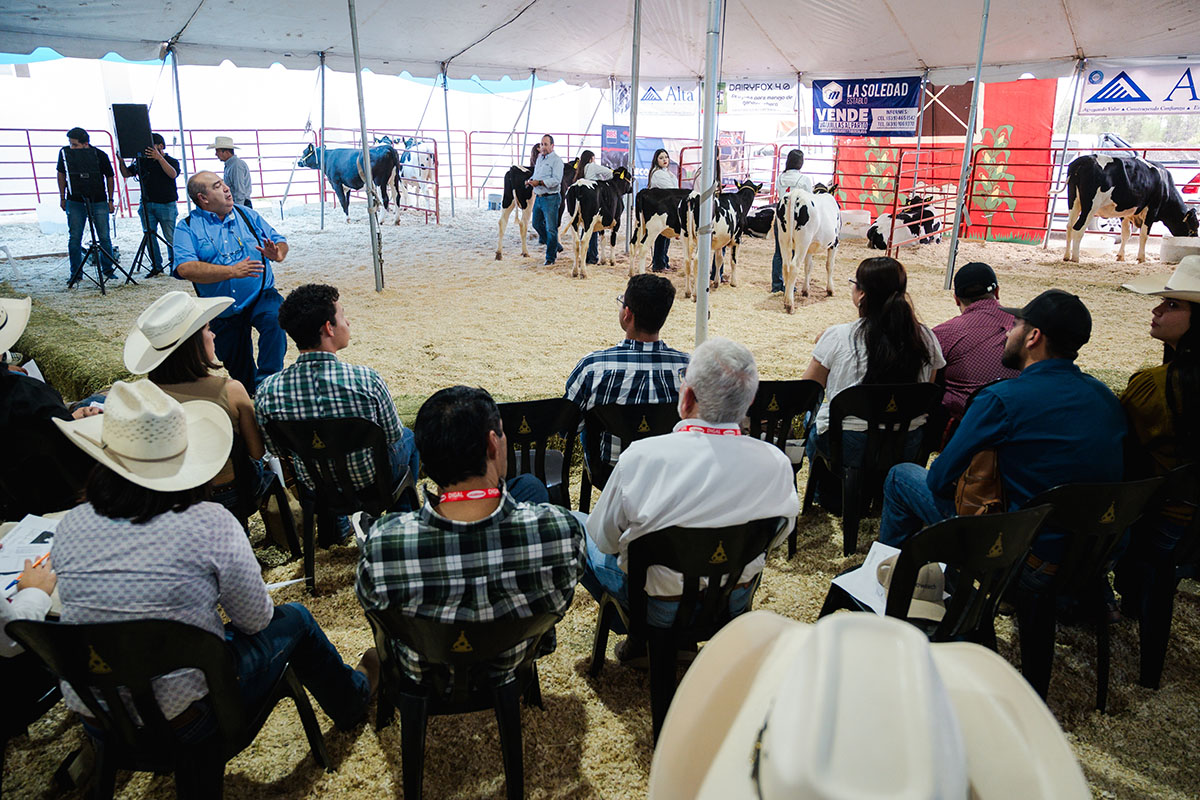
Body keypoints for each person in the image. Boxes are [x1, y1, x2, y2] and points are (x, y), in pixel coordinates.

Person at [51, 380, 376, 739]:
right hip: (192, 717)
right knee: (296, 618)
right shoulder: (209, 523)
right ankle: (352, 699)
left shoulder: (72, 524)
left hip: (99, 718)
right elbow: (255, 620)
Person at [877, 289, 1126, 590]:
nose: (1007, 332)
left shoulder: (1001, 399)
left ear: (1033, 337)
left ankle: (890, 576)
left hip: (1017, 558)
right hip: (1090, 558)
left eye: (1015, 325)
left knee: (901, 476)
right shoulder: (1105, 396)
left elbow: (938, 480)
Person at [582, 338, 800, 660]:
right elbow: (778, 534)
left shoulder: (642, 458)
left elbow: (605, 540)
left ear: (686, 398)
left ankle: (639, 638)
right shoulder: (777, 464)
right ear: (749, 401)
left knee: (579, 526)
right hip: (732, 600)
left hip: (659, 607)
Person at [356, 385, 584, 692]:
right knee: (529, 485)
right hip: (511, 668)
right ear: (493, 445)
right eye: (502, 434)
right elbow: (564, 593)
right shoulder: (559, 530)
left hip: (422, 676)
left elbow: (373, 605)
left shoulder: (382, 543)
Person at [255, 284, 418, 542]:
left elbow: (276, 450)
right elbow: (391, 436)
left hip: (316, 485)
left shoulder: (267, 392)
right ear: (328, 328)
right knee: (409, 438)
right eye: (343, 316)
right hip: (370, 482)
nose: (348, 322)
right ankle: (400, 524)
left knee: (316, 455)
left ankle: (336, 526)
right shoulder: (367, 380)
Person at [800, 257, 945, 507]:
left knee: (812, 413)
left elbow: (807, 390)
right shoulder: (926, 338)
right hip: (907, 444)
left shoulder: (838, 336)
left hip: (847, 446)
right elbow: (928, 390)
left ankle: (824, 492)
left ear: (861, 293)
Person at [124, 290, 273, 513]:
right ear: (193, 345)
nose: (213, 336)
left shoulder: (142, 395)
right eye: (208, 330)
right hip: (227, 492)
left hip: (171, 496)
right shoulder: (231, 390)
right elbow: (257, 451)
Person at [1114, 256, 1200, 617]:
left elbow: (1123, 445)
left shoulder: (1156, 384)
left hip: (1161, 514)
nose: (1157, 309)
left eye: (1172, 304)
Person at [172, 170, 288, 392]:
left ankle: (269, 385)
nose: (226, 188)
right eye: (217, 186)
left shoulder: (248, 215)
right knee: (239, 369)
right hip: (220, 307)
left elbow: (280, 241)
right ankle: (251, 392)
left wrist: (278, 254)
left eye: (223, 183)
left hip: (260, 294)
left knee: (275, 318)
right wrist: (231, 271)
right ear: (202, 199)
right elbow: (185, 268)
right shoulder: (186, 227)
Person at [565, 273, 690, 465]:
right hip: (670, 472)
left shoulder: (593, 368)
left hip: (611, 474)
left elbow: (567, 429)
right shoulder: (689, 369)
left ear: (627, 314)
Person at [0, 296, 100, 517]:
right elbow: (60, 447)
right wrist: (73, 421)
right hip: (55, 495)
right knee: (101, 402)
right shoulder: (30, 394)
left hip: (12, 499)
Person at [931, 261, 1019, 429]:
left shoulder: (942, 334)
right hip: (1021, 423)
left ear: (956, 299)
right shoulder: (1027, 328)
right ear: (997, 291)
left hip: (964, 426)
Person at [56, 127, 116, 286]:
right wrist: (62, 197)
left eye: (75, 145)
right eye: (70, 144)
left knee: (104, 236)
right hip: (75, 200)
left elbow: (110, 176)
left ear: (85, 143)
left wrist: (111, 200)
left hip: (98, 200)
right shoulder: (65, 154)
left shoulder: (99, 155)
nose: (72, 148)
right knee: (75, 237)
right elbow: (61, 174)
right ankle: (76, 272)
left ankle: (108, 270)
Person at [117, 133, 180, 277]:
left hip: (166, 204)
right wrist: (121, 161)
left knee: (170, 237)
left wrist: (160, 158)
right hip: (146, 203)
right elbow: (127, 174)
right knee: (149, 236)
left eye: (152, 147)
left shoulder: (171, 160)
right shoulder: (142, 161)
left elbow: (173, 174)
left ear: (161, 146)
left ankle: (175, 266)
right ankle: (156, 266)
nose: (148, 151)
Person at [771, 149, 813, 293]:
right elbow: (809, 199)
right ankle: (790, 285)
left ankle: (777, 285)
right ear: (801, 163)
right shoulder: (805, 180)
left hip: (781, 217)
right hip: (798, 220)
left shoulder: (780, 178)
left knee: (779, 252)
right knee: (796, 253)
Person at [526, 134, 564, 266]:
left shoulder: (557, 161)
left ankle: (550, 258)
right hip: (539, 197)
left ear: (552, 146)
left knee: (551, 229)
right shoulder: (539, 159)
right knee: (536, 224)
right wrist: (531, 181)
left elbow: (556, 180)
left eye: (546, 144)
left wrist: (540, 183)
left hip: (551, 198)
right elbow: (537, 174)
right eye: (541, 144)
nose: (543, 147)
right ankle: (555, 245)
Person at [575, 150, 613, 265]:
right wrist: (601, 182)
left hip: (581, 198)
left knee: (585, 227)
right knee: (592, 227)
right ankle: (592, 256)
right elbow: (609, 173)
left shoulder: (580, 170)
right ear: (591, 158)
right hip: (592, 197)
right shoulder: (592, 166)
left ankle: (584, 255)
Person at [646, 148, 679, 273]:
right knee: (661, 236)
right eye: (661, 158)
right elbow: (671, 189)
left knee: (666, 236)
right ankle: (659, 264)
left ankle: (663, 261)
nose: (665, 160)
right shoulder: (658, 174)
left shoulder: (666, 172)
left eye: (666, 157)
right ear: (656, 160)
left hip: (667, 208)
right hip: (660, 210)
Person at [209, 136, 253, 207]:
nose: (216, 154)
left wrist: (239, 210)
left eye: (217, 151)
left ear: (226, 152)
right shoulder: (231, 165)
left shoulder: (236, 165)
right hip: (238, 203)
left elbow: (239, 191)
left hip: (241, 204)